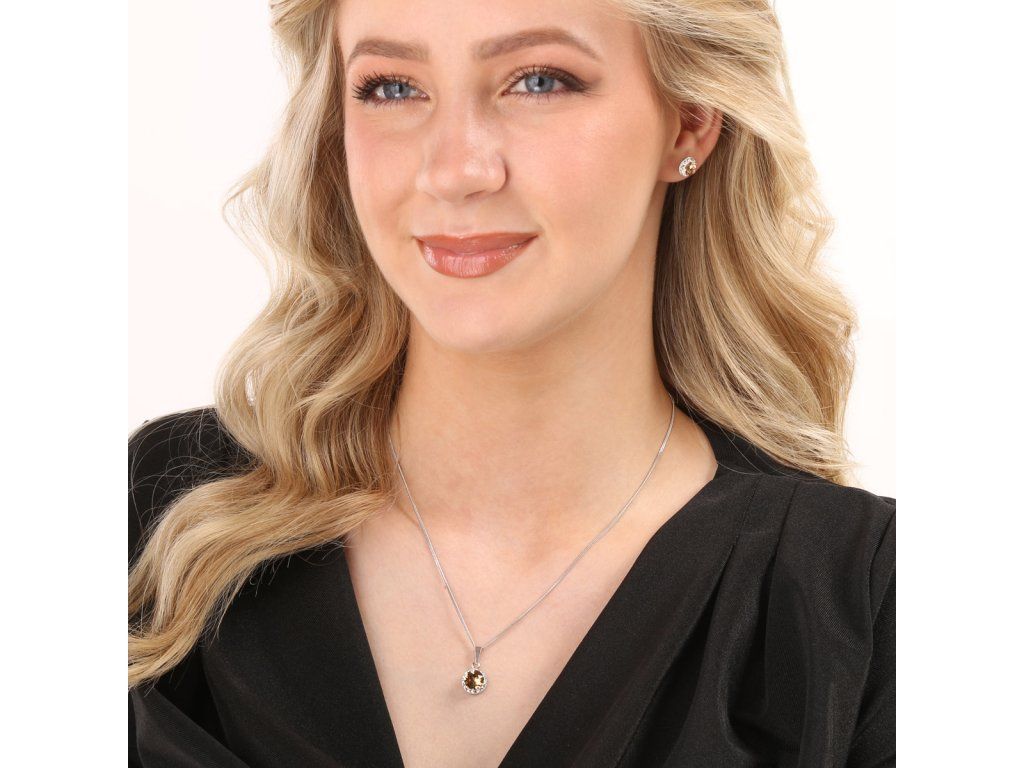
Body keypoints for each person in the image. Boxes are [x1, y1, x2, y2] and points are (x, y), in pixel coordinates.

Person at [128, 0, 895, 766]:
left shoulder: (860, 607)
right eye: (392, 87)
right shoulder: (161, 520)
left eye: (538, 81)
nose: (455, 170)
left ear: (689, 122)